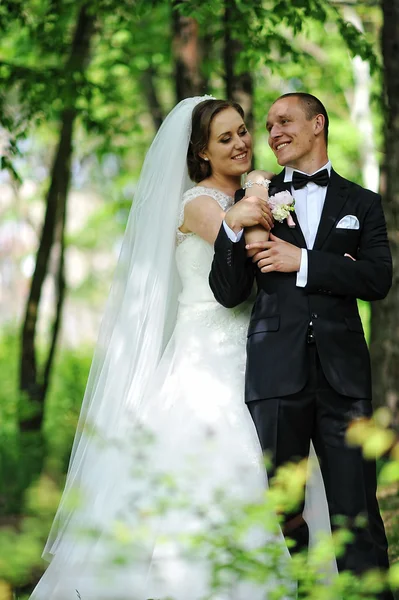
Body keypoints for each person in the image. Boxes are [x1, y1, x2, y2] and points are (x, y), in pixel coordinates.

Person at [32, 96, 320, 600]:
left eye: (243, 131)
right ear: (202, 153)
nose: (242, 143)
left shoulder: (262, 191)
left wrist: (258, 192)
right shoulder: (197, 204)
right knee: (215, 469)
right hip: (204, 362)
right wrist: (256, 190)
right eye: (225, 138)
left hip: (260, 355)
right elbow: (250, 253)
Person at [209, 92, 394, 599]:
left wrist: (303, 261)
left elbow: (378, 278)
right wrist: (232, 223)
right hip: (274, 376)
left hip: (344, 380)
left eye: (284, 121)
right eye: (268, 125)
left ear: (318, 124)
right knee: (282, 518)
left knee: (357, 512)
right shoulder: (258, 198)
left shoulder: (362, 202)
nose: (273, 133)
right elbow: (227, 293)